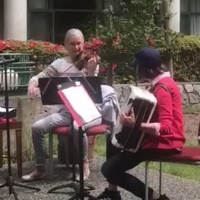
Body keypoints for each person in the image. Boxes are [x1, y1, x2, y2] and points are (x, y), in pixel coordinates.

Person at [95, 46, 186, 200]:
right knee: (112, 138)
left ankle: (155, 197)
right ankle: (112, 192)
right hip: (158, 139)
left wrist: (135, 125)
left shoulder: (162, 88)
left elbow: (165, 127)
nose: (137, 70)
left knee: (108, 170)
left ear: (147, 69)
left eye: (138, 67)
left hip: (167, 142)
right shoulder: (163, 82)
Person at [22, 28, 99, 181]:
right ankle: (40, 168)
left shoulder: (89, 62)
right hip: (65, 111)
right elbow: (40, 76)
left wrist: (90, 71)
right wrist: (32, 83)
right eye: (72, 44)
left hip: (87, 111)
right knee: (37, 127)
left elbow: (93, 90)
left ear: (83, 44)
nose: (77, 48)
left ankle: (84, 164)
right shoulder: (59, 64)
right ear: (65, 45)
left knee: (77, 127)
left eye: (79, 44)